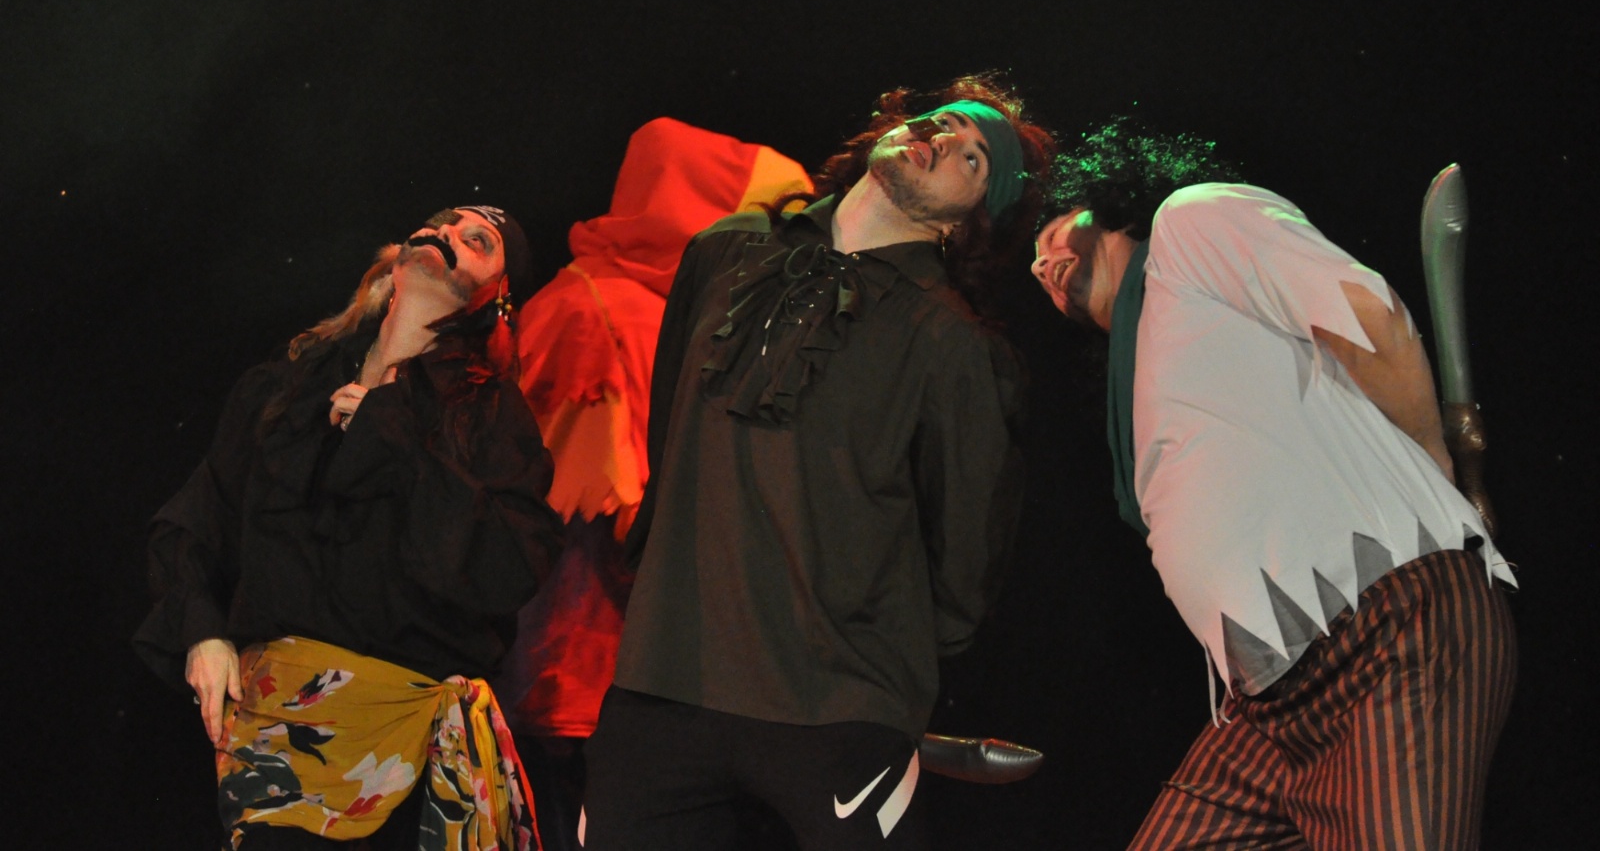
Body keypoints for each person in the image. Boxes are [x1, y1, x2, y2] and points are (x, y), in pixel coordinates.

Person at [578, 76, 1054, 851]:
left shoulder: (955, 346)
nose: (943, 140)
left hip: (840, 708)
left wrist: (875, 656)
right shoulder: (723, 251)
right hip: (665, 678)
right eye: (941, 122)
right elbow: (669, 437)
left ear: (971, 221)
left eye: (974, 158)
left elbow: (967, 557)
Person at [1030, 120, 1518, 850]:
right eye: (1034, 261)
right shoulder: (1150, 380)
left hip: (1386, 626)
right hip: (1266, 704)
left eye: (1052, 234)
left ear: (1109, 203)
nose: (1042, 263)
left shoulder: (1191, 222)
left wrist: (1436, 470)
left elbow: (1375, 322)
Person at [134, 205, 564, 851]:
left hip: (405, 746)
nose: (448, 234)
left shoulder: (491, 417)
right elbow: (195, 519)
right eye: (443, 222)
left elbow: (508, 565)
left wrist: (394, 440)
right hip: (276, 729)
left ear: (496, 296)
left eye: (477, 240)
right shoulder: (285, 387)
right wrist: (201, 631)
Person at [493, 118, 811, 851]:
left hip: (631, 676)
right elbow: (604, 509)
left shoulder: (649, 310)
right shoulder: (595, 312)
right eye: (763, 224)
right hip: (582, 670)